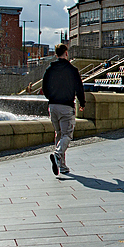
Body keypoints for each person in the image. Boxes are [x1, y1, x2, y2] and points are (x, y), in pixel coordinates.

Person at [42, 44, 85, 177]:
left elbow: (44, 86)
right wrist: (82, 103)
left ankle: (62, 165)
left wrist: (51, 98)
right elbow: (79, 87)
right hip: (66, 106)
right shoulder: (72, 70)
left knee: (59, 134)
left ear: (56, 54)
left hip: (53, 106)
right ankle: (57, 154)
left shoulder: (50, 69)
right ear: (66, 53)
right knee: (67, 135)